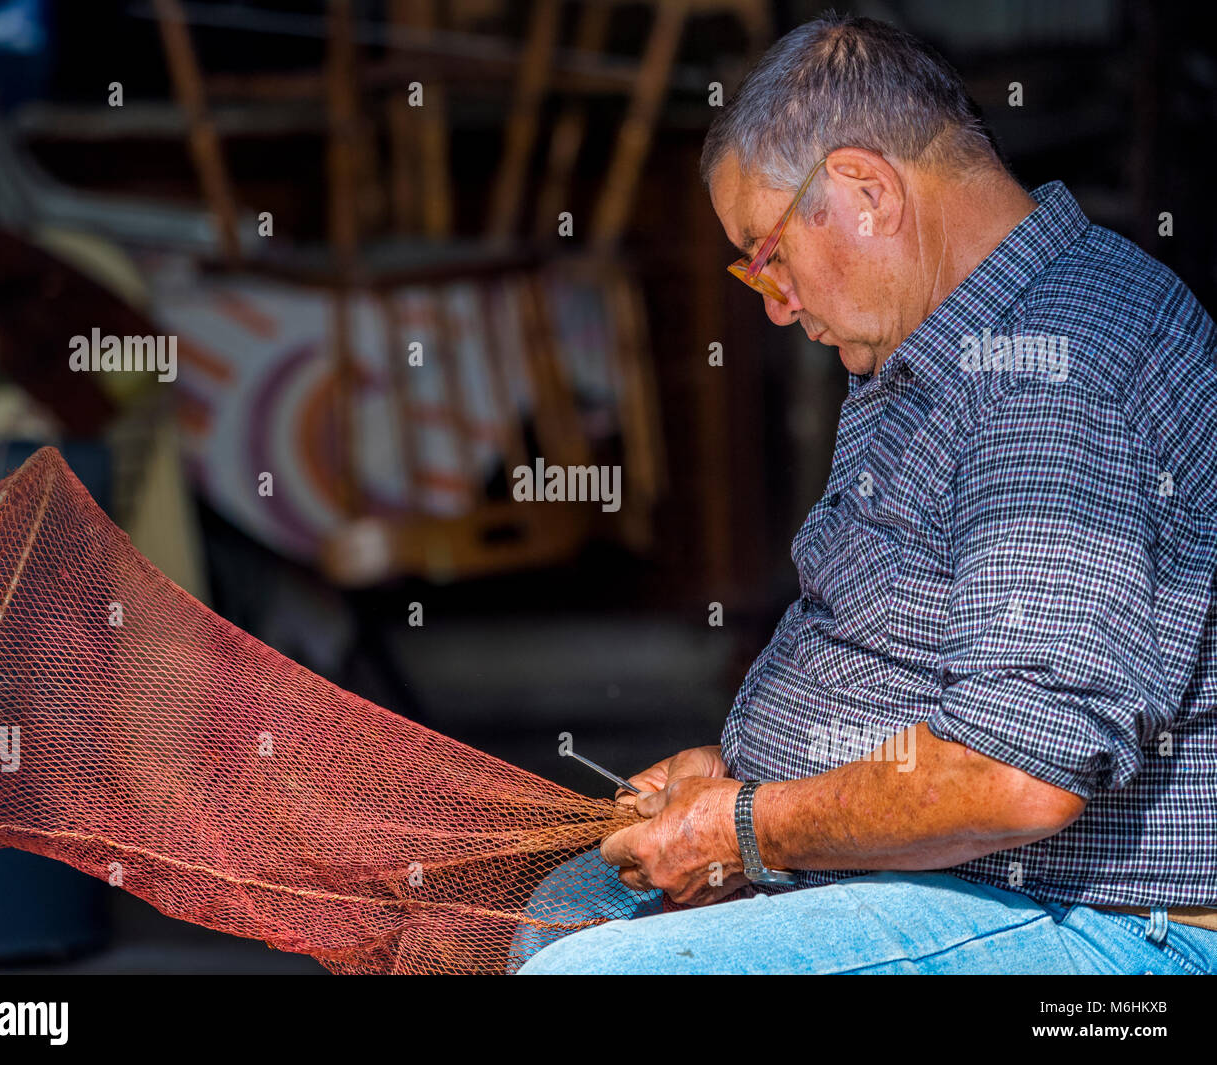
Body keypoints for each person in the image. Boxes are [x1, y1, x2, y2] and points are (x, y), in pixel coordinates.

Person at [519, 12, 1217, 975]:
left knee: (591, 972)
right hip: (990, 885)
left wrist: (748, 827)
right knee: (572, 910)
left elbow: (1015, 776)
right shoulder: (944, 341)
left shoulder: (1051, 370)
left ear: (867, 191)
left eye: (766, 255)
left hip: (1102, 918)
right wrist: (744, 785)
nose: (773, 303)